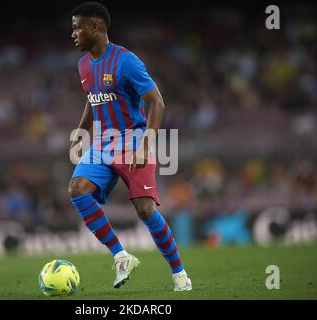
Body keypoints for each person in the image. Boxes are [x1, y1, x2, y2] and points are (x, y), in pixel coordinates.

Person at [68, 2, 192, 291]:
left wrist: (146, 143)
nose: (73, 34)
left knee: (145, 210)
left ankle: (179, 274)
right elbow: (92, 96)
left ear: (95, 27)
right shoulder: (83, 64)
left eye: (77, 27)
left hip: (133, 139)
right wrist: (81, 128)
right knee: (77, 189)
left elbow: (156, 102)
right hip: (102, 142)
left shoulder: (126, 60)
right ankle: (121, 256)